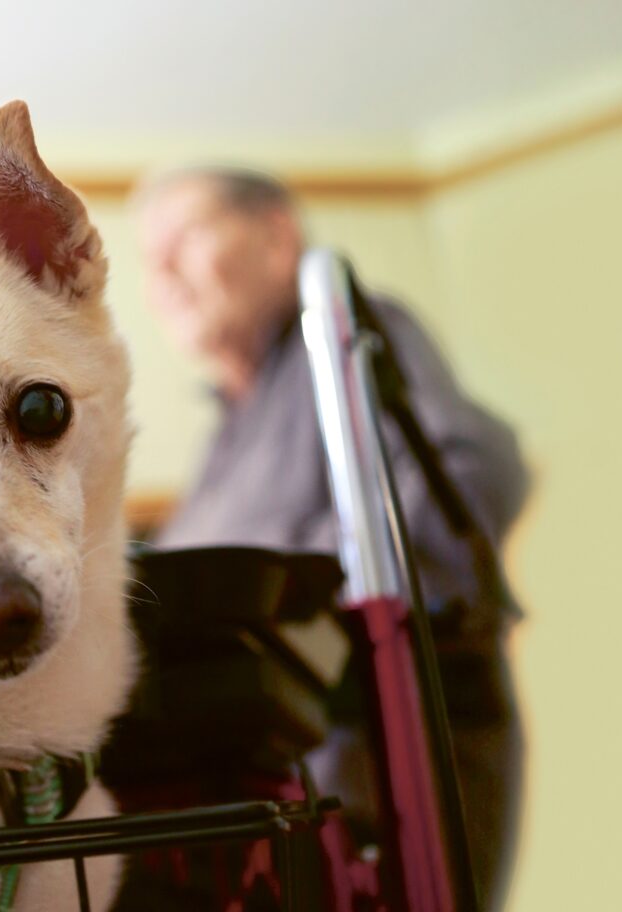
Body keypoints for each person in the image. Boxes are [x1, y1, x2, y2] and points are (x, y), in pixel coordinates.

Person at [136, 167, 530, 907]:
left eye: (185, 238)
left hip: (370, 771)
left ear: (277, 237)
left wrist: (291, 609)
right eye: (148, 256)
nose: (161, 274)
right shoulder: (225, 439)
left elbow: (471, 473)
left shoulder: (349, 336)